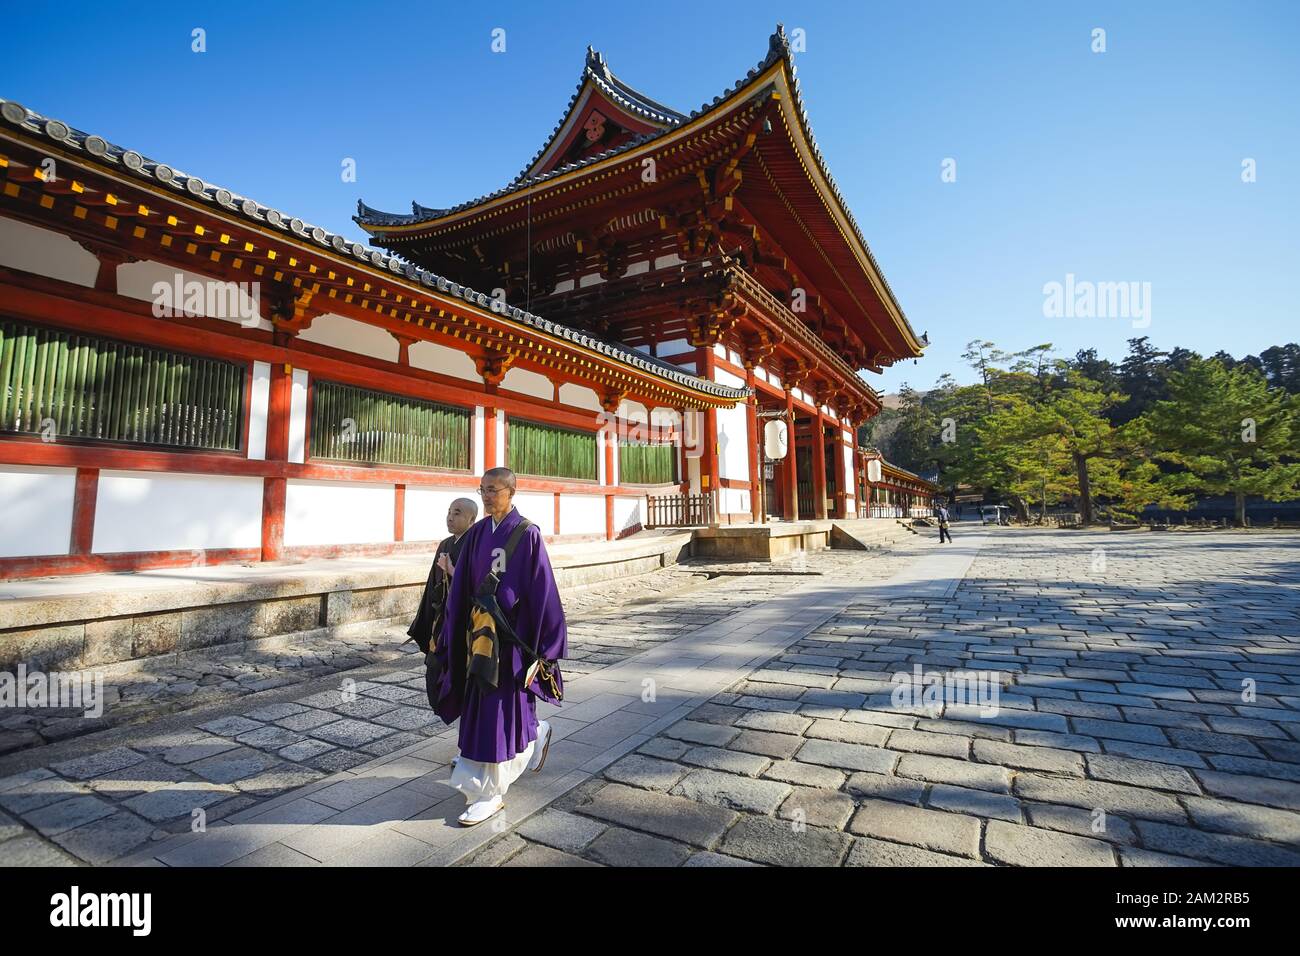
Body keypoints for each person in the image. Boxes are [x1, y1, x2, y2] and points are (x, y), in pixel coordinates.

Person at [431, 467, 567, 826]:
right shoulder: (477, 534)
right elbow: (461, 586)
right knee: (485, 709)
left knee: (497, 712)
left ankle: (489, 794)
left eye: (494, 490)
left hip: (510, 642)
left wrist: (545, 648)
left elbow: (543, 592)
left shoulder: (528, 535)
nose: (487, 496)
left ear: (511, 492)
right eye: (483, 490)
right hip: (480, 640)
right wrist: (451, 631)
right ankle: (534, 734)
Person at [406, 497, 478, 657]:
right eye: (449, 512)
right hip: (441, 615)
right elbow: (433, 582)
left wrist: (451, 570)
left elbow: (476, 583)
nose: (450, 517)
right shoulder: (445, 544)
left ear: (472, 520)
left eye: (457, 513)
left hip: (463, 617)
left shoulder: (475, 545)